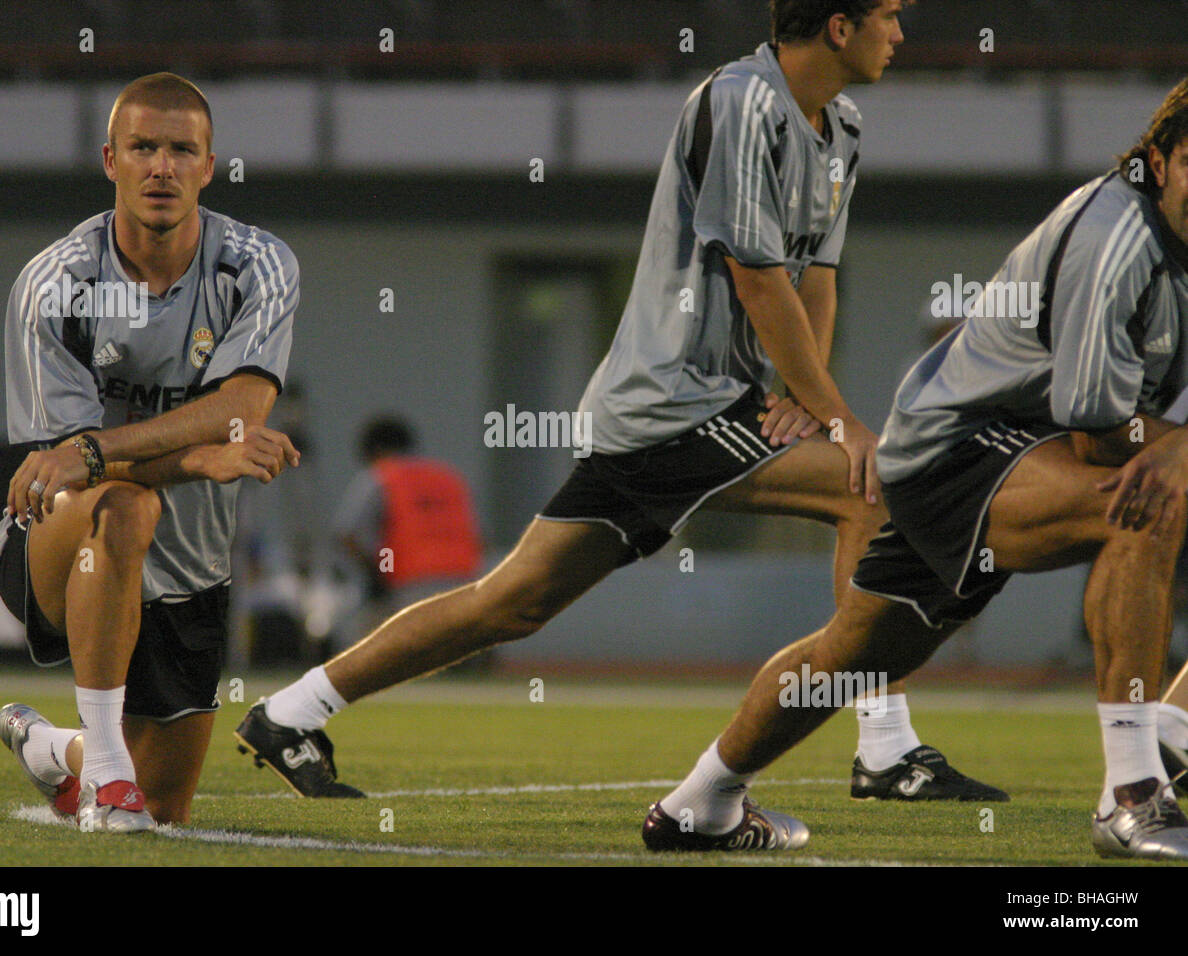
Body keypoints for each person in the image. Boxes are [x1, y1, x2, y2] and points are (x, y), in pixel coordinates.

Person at [234, 0, 1005, 812]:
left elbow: (815, 276)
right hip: (673, 401)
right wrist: (840, 418)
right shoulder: (739, 101)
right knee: (871, 488)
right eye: (889, 14)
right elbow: (754, 272)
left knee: (512, 603)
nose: (902, 33)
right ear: (838, 26)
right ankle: (883, 746)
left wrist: (800, 398)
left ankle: (291, 711)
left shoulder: (842, 127)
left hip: (701, 407)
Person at [640, 77, 1188, 857]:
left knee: (853, 653)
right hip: (959, 450)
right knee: (1141, 500)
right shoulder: (1118, 239)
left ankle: (701, 799)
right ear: (1159, 160)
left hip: (1020, 451)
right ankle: (1133, 790)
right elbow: (1101, 436)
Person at [0, 71, 304, 832]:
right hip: (60, 543)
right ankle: (104, 770)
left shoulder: (258, 267)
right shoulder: (56, 282)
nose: (161, 166)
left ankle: (59, 750)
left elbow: (240, 407)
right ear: (110, 161)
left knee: (166, 812)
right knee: (124, 508)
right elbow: (60, 468)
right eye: (142, 148)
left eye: (180, 150)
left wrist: (99, 450)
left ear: (209, 164)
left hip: (194, 564)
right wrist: (192, 457)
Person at [331, 416, 483, 653]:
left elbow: (348, 536)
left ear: (375, 450)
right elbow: (479, 537)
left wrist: (379, 571)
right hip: (466, 584)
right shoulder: (450, 478)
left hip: (409, 587)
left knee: (352, 641)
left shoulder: (380, 477)